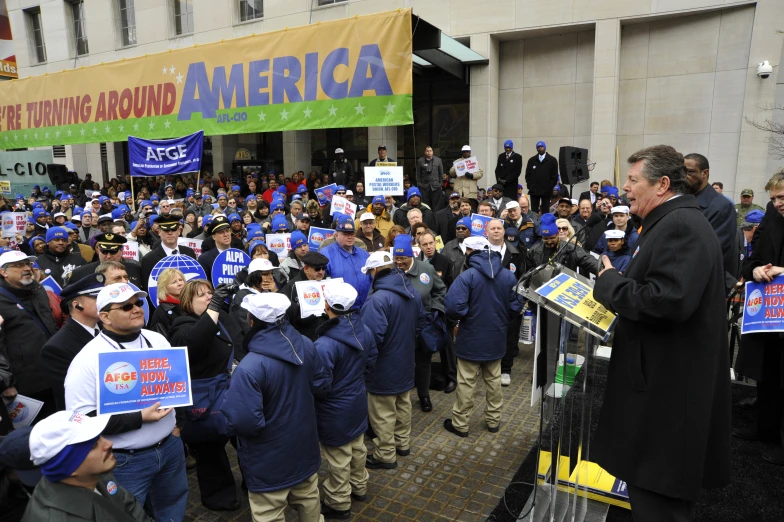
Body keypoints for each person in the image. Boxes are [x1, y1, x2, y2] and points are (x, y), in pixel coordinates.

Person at [592, 145, 730, 520]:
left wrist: (608, 285)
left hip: (667, 408)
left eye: (633, 180)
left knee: (659, 507)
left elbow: (667, 301)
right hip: (661, 394)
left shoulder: (680, 225)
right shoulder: (670, 222)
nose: (624, 187)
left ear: (663, 184)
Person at [65, 283, 188, 522]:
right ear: (105, 317)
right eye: (126, 306)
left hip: (169, 448)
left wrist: (176, 427)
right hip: (125, 461)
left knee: (172, 508)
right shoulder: (87, 359)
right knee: (125, 516)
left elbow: (178, 386)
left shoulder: (158, 340)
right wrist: (138, 418)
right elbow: (80, 419)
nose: (137, 309)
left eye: (138, 303)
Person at [222, 292, 330, 522]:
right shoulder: (306, 344)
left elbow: (244, 422)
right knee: (309, 501)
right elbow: (321, 383)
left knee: (269, 514)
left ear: (252, 321)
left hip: (267, 460)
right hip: (305, 448)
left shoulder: (249, 367)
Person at [169, 280, 238, 511]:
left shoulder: (217, 318)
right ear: (188, 301)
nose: (210, 297)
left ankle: (256, 482)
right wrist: (215, 306)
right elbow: (194, 343)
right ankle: (219, 497)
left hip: (226, 392)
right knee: (210, 451)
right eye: (203, 295)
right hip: (204, 401)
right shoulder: (181, 325)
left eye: (212, 293)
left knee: (245, 440)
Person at [443, 236, 522, 437]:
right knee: (494, 381)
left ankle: (460, 423)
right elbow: (515, 306)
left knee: (466, 382)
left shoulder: (467, 276)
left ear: (471, 252)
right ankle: (494, 420)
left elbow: (453, 308)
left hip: (470, 338)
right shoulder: (507, 276)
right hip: (496, 337)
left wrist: (469, 313)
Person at [314, 283, 378, 519]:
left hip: (334, 408)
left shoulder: (324, 344)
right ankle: (359, 487)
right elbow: (372, 362)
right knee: (358, 448)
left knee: (338, 458)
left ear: (327, 305)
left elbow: (319, 384)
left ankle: (339, 502)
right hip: (357, 399)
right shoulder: (365, 330)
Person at [734, 171, 784, 465]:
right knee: (769, 374)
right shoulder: (770, 215)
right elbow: (754, 254)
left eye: (783, 197)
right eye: (774, 197)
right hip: (769, 314)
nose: (778, 203)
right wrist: (754, 270)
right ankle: (764, 428)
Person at [24, 410, 152, 522]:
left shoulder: (93, 474)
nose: (108, 443)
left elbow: (127, 504)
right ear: (69, 466)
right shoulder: (60, 518)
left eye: (100, 436)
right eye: (93, 445)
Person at [360, 251, 425, 469]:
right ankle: (402, 443)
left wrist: (366, 365)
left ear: (376, 270)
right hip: (405, 360)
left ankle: (385, 455)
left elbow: (371, 339)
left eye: (370, 271)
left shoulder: (378, 299)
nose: (370, 276)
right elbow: (420, 323)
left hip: (383, 366)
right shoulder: (411, 291)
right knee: (403, 404)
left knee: (383, 412)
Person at [0, 250, 58, 419]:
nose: (26, 268)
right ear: (3, 272)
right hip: (24, 382)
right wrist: (5, 383)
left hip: (52, 371)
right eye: (18, 265)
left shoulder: (38, 290)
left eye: (28, 264)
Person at [392, 235, 446, 413]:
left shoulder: (426, 269)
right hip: (399, 328)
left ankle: (424, 395)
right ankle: (401, 396)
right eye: (396, 258)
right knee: (401, 363)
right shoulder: (391, 271)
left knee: (424, 363)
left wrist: (435, 309)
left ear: (411, 257)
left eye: (403, 259)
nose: (399, 262)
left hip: (423, 326)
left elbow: (440, 290)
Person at [40, 274, 104, 411]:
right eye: (96, 298)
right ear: (77, 305)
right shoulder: (57, 348)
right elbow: (67, 398)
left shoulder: (109, 329)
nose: (104, 301)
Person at [684, 153, 739, 288]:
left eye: (690, 172)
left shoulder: (722, 206)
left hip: (704, 285)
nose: (684, 177)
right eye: (682, 171)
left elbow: (714, 251)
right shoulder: (681, 200)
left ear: (705, 173)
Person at [322, 215, 372, 309]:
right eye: (345, 234)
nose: (350, 237)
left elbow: (373, 278)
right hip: (341, 311)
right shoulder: (326, 254)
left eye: (352, 234)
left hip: (366, 308)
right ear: (337, 235)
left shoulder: (364, 254)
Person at [523, 214, 597, 277]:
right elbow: (529, 275)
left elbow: (588, 260)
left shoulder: (570, 249)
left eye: (552, 238)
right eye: (545, 239)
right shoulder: (533, 251)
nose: (549, 242)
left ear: (557, 234)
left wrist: (602, 270)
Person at [279, 252, 331, 341]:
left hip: (326, 335)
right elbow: (286, 316)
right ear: (306, 268)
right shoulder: (292, 287)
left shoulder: (329, 282)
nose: (321, 272)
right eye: (317, 269)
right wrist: (300, 320)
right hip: (304, 337)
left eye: (324, 268)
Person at [68, 232, 144, 289]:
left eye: (113, 251)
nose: (108, 256)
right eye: (104, 251)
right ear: (98, 250)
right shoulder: (81, 273)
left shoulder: (135, 269)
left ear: (122, 250)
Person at [140, 215, 197, 285]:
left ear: (179, 231)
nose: (170, 233)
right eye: (166, 230)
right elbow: (149, 288)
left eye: (173, 229)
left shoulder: (189, 252)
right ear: (159, 232)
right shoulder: (149, 259)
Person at [146, 267, 184, 336]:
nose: (179, 283)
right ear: (165, 287)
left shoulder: (191, 305)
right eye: (174, 282)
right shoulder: (160, 313)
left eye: (180, 280)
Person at [197, 215, 234, 281]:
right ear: (214, 237)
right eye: (221, 232)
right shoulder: (205, 259)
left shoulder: (241, 255)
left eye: (227, 231)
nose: (226, 234)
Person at [449, 145, 483, 210]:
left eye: (467, 152)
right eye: (464, 152)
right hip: (459, 190)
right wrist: (456, 167)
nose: (466, 153)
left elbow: (480, 173)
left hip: (470, 191)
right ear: (462, 152)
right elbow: (451, 173)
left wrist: (472, 175)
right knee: (458, 208)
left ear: (470, 152)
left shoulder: (475, 162)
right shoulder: (457, 161)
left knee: (470, 208)